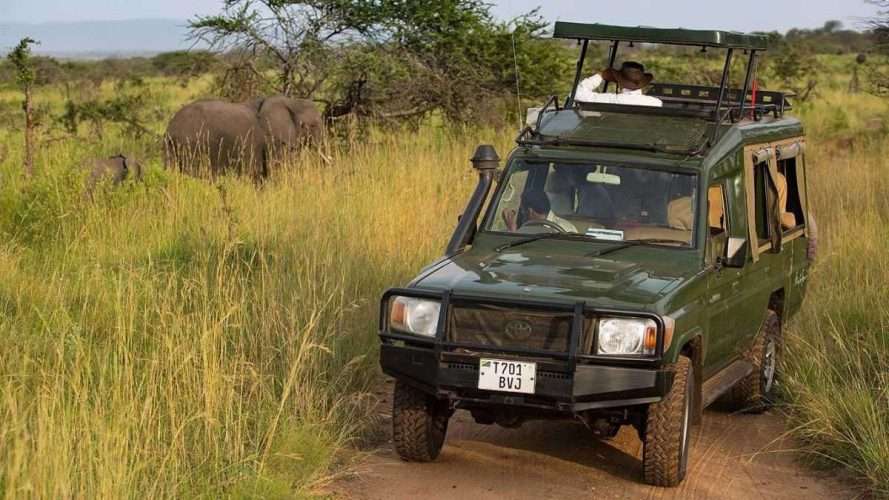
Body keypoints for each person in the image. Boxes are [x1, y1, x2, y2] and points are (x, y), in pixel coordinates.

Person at [575, 61, 663, 107]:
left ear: (620, 83)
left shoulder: (611, 100)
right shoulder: (656, 103)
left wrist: (601, 75)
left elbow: (576, 94)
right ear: (643, 83)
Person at [502, 190, 578, 233]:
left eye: (522, 210)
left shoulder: (564, 230)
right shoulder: (527, 229)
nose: (522, 213)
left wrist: (512, 230)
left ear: (530, 211)